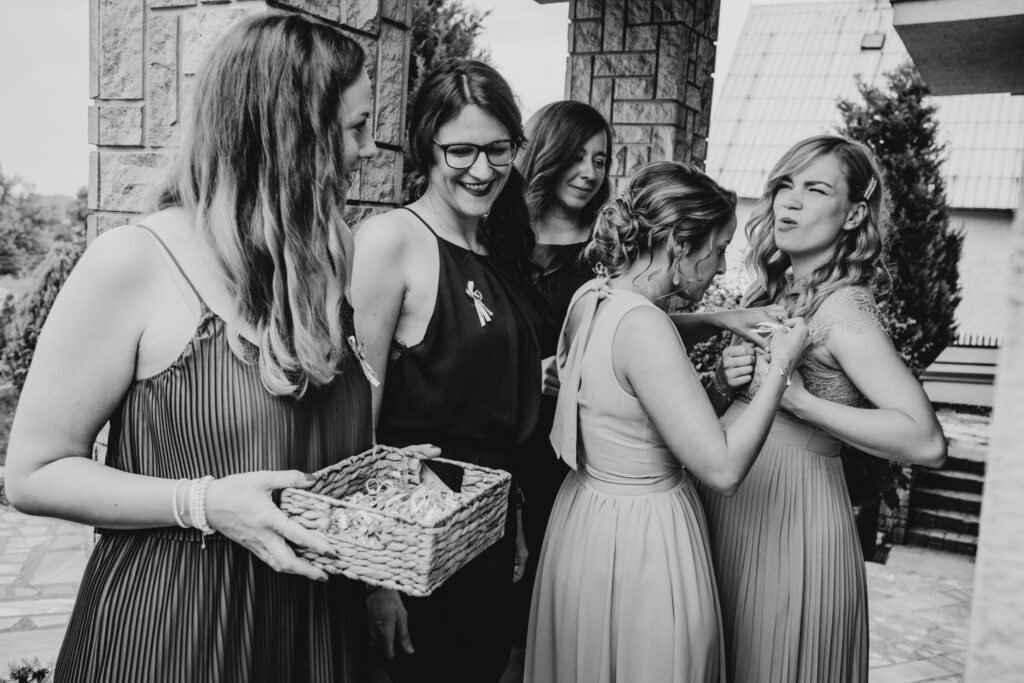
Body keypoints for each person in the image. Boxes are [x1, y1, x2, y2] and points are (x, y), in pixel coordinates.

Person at [5, 13, 381, 681]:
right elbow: (33, 473)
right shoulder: (134, 262)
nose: (370, 149)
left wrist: (379, 553)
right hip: (178, 625)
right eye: (355, 128)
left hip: (312, 623)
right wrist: (203, 502)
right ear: (292, 135)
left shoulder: (330, 253)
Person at [511, 100, 789, 644]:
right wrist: (782, 363)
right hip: (639, 535)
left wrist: (719, 329)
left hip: (583, 516)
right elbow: (723, 469)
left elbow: (632, 360)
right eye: (719, 249)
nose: (723, 267)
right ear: (681, 245)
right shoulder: (646, 326)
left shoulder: (593, 295)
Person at [700, 134, 947, 683]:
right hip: (736, 510)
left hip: (790, 522)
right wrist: (725, 381)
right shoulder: (776, 291)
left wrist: (801, 402)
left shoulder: (843, 309)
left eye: (815, 189)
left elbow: (925, 441)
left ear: (854, 213)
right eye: (785, 185)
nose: (790, 202)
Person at [351, 59, 542, 683]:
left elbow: (495, 417)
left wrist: (510, 516)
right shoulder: (391, 241)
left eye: (498, 149)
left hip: (488, 524)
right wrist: (376, 579)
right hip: (413, 530)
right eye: (461, 150)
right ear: (425, 145)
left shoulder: (499, 245)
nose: (482, 170)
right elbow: (358, 422)